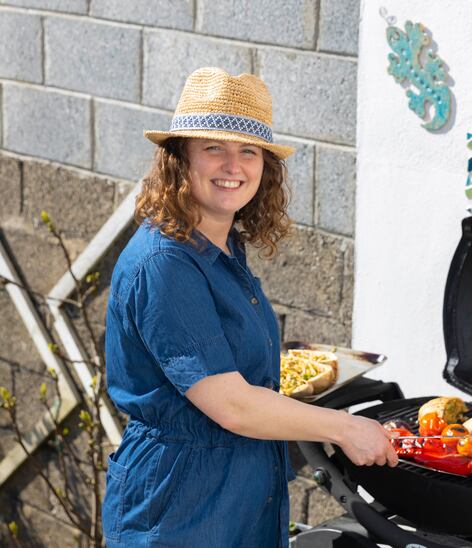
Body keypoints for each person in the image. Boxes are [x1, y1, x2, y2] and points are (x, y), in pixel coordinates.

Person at [102, 67, 398, 547]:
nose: (232, 165)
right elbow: (234, 407)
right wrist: (344, 428)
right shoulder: (164, 263)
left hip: (241, 495)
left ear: (266, 167)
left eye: (248, 151)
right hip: (181, 507)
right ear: (179, 158)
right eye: (214, 147)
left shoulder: (221, 248)